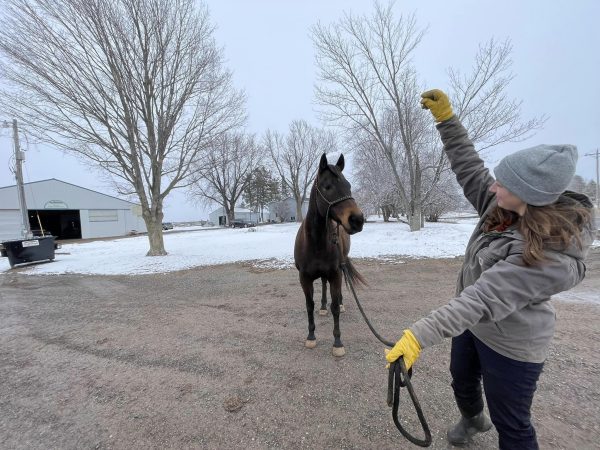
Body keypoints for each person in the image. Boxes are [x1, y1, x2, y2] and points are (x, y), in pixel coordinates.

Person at [384, 89, 594, 449]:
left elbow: (482, 297)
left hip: (513, 345)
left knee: (512, 424)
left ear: (529, 195)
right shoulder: (503, 207)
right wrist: (447, 121)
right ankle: (472, 419)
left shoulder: (549, 255)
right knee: (461, 380)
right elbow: (469, 167)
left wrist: (417, 336)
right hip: (476, 327)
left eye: (503, 183)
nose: (493, 186)